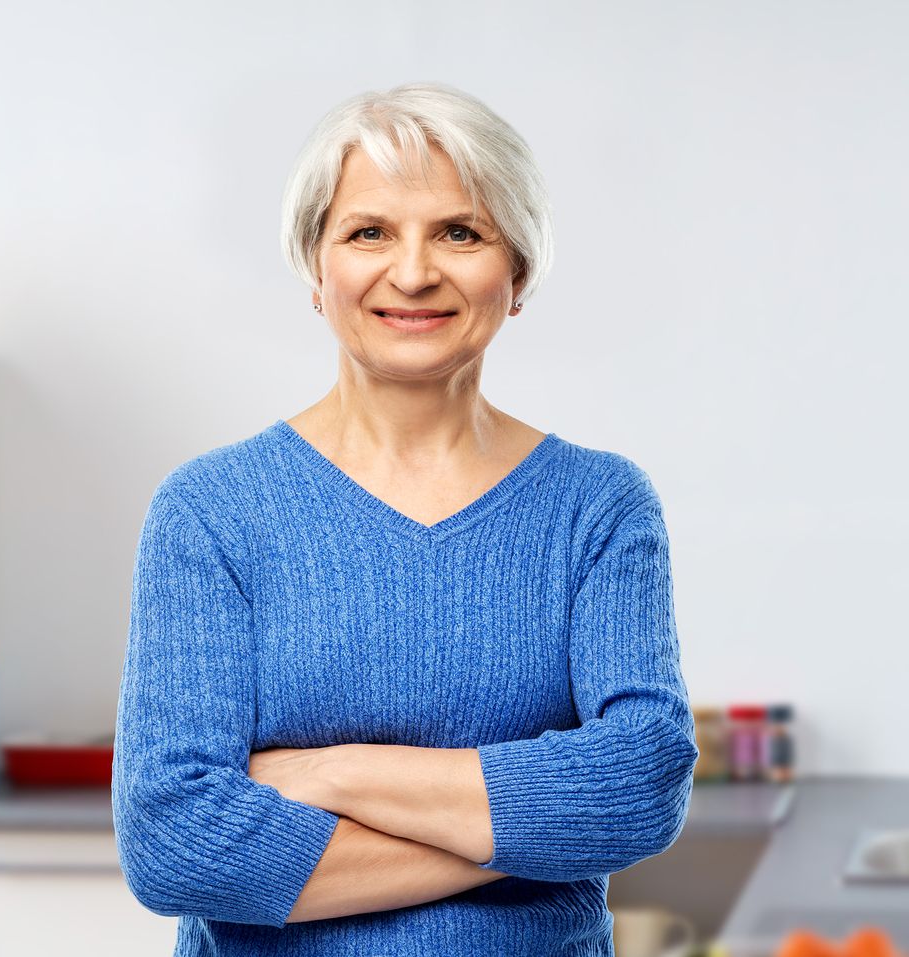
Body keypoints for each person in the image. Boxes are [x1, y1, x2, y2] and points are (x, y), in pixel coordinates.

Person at [112, 81, 698, 957]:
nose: (414, 271)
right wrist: (527, 830)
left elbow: (642, 784)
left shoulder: (598, 506)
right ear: (318, 269)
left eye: (460, 232)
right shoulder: (212, 511)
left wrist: (327, 774)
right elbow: (175, 846)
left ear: (520, 272)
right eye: (368, 232)